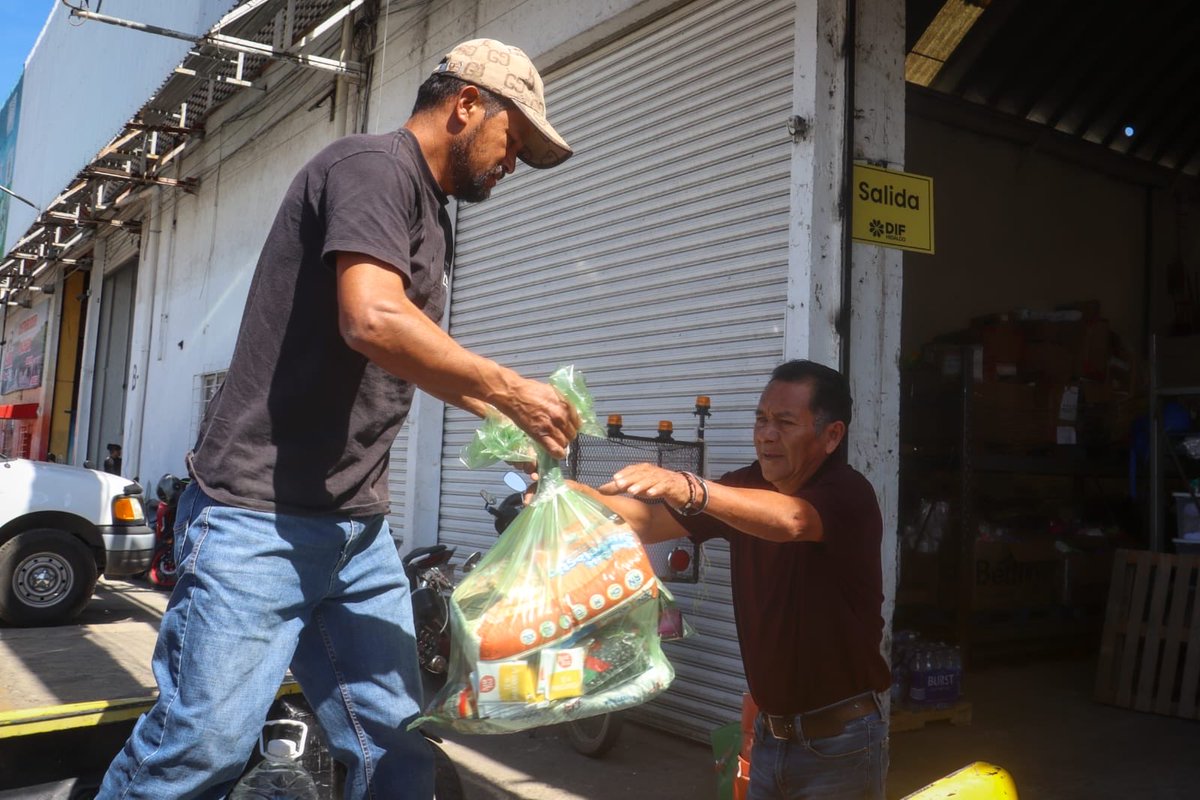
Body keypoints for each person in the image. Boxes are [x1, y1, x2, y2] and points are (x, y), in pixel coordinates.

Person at [98, 38, 580, 800]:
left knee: (398, 746)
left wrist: (512, 426)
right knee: (199, 753)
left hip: (354, 530)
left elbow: (408, 352)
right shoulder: (371, 168)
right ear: (465, 106)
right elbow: (372, 320)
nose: (509, 164)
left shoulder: (432, 214)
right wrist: (510, 387)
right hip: (258, 519)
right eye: (510, 141)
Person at [584, 360, 891, 799]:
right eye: (761, 420)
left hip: (840, 743)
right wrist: (573, 497)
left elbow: (791, 520)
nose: (766, 434)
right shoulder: (743, 485)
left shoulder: (847, 493)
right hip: (770, 737)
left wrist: (692, 488)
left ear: (832, 435)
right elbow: (648, 523)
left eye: (785, 423)